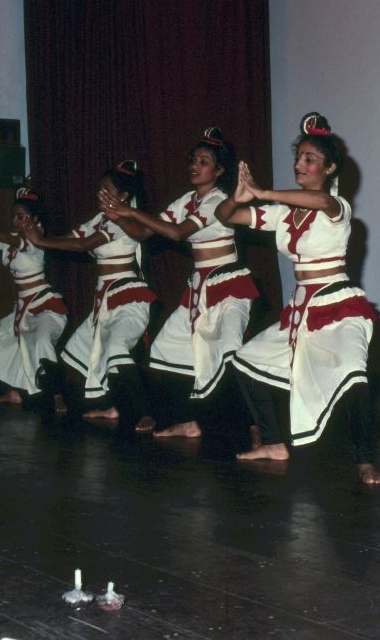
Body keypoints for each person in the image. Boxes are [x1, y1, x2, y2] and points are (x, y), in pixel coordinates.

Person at [223, 114, 380, 485]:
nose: (300, 163)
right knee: (246, 361)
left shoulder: (336, 207)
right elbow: (227, 216)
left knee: (354, 375)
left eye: (310, 158)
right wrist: (237, 197)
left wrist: (263, 193)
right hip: (301, 309)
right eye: (298, 156)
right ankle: (273, 442)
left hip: (338, 305)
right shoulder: (283, 212)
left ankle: (364, 460)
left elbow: (320, 200)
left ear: (329, 168)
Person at [98, 128, 259, 439]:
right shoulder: (186, 199)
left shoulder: (218, 199)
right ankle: (190, 420)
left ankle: (258, 428)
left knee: (229, 353)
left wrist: (130, 210)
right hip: (199, 287)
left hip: (229, 286)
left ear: (220, 170)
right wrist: (117, 216)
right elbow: (144, 233)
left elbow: (177, 233)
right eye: (193, 159)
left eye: (204, 161)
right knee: (167, 348)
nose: (195, 165)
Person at [21, 161, 156, 432]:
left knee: (117, 350)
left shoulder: (125, 222)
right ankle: (113, 405)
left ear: (123, 197)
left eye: (107, 191)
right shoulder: (99, 219)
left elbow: (84, 245)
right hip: (105, 300)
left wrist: (41, 242)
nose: (99, 194)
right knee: (76, 355)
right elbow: (73, 237)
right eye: (99, 190)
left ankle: (147, 413)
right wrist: (40, 236)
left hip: (128, 299)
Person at [0, 188, 69, 405]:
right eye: (13, 217)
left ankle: (58, 394)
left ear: (34, 219)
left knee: (40, 342)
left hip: (44, 305)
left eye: (21, 217)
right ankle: (15, 392)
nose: (15, 221)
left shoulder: (36, 239)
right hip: (24, 307)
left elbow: (4, 238)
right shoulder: (10, 241)